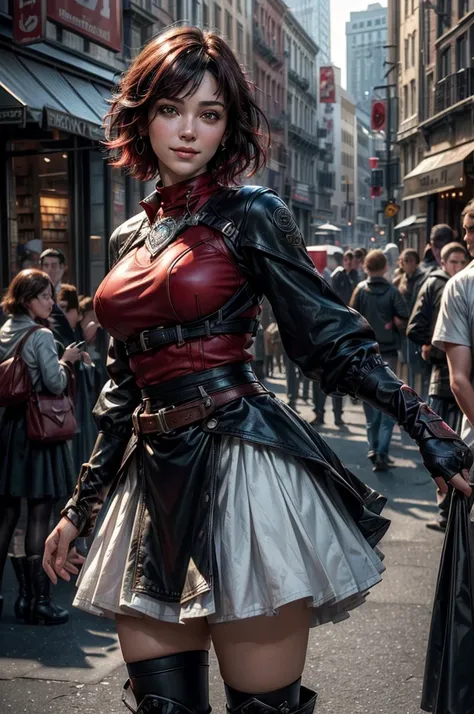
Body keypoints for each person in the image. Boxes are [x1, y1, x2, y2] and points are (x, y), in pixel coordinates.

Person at [42, 27, 471, 714]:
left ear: (228, 125)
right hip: (152, 481)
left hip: (243, 469)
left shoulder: (253, 213)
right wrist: (79, 507)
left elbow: (329, 339)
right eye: (171, 108)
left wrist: (428, 426)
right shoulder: (128, 235)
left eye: (209, 114)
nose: (188, 131)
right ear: (142, 113)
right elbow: (124, 386)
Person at [0, 269, 83, 624]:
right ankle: (37, 602)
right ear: (28, 299)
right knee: (39, 515)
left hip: (10, 431)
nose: (51, 302)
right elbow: (53, 382)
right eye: (46, 296)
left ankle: (10, 598)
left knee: (5, 516)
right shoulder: (42, 335)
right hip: (39, 431)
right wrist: (67, 361)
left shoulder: (5, 330)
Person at [431, 203, 474, 532]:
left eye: (473, 228)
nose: (468, 237)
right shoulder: (460, 286)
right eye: (467, 228)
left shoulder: (460, 286)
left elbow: (460, 378)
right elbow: (457, 380)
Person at [350, 250, 409, 471]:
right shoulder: (393, 292)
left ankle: (373, 448)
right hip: (388, 352)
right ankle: (382, 451)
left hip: (365, 353)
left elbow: (351, 318)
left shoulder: (360, 291)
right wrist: (393, 324)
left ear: (366, 267)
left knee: (369, 400)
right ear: (385, 268)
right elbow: (404, 317)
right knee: (387, 401)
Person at [40, 249, 75, 349]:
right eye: (46, 265)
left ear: (63, 267)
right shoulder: (36, 291)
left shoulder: (69, 291)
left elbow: (71, 323)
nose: (49, 270)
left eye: (54, 266)